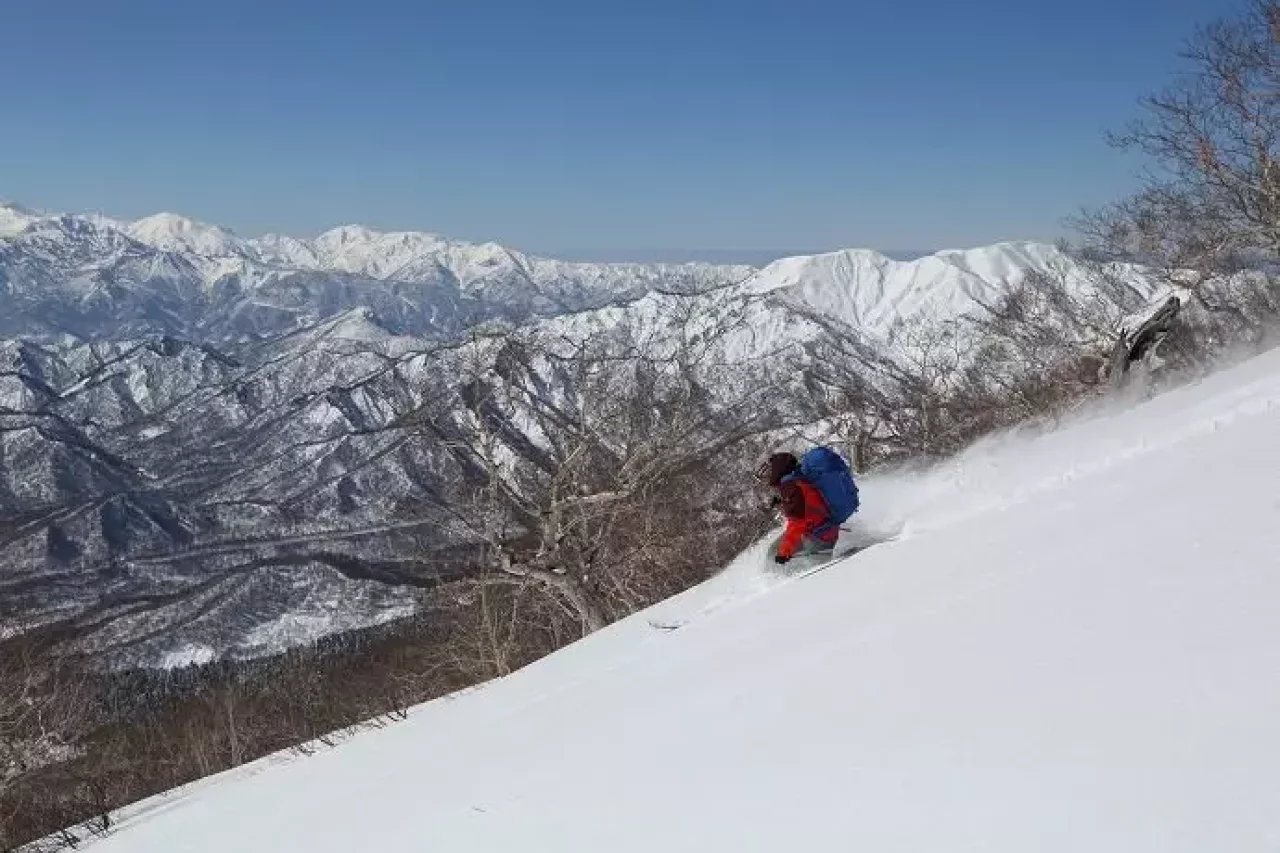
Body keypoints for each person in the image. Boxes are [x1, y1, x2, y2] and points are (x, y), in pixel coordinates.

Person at [757, 451, 840, 565]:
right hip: (825, 527)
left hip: (818, 536)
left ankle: (818, 569)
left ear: (777, 470)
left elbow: (797, 522)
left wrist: (784, 552)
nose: (767, 478)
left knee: (776, 555)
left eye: (768, 472)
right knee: (773, 550)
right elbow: (806, 505)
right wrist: (782, 502)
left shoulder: (791, 488)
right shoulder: (797, 480)